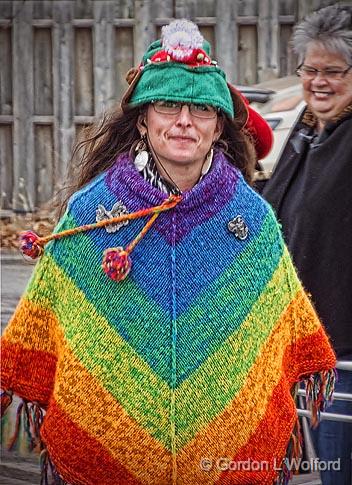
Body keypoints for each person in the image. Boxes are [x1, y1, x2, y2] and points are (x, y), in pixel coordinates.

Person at [1, 19, 336, 485]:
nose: (183, 121)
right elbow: (53, 329)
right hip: (104, 458)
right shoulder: (91, 212)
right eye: (167, 104)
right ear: (143, 118)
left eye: (201, 109)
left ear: (219, 125)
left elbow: (273, 342)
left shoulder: (253, 221)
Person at [260, 5, 352, 485]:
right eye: (310, 70)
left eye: (333, 71)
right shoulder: (308, 127)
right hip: (301, 344)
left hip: (345, 351)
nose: (318, 81)